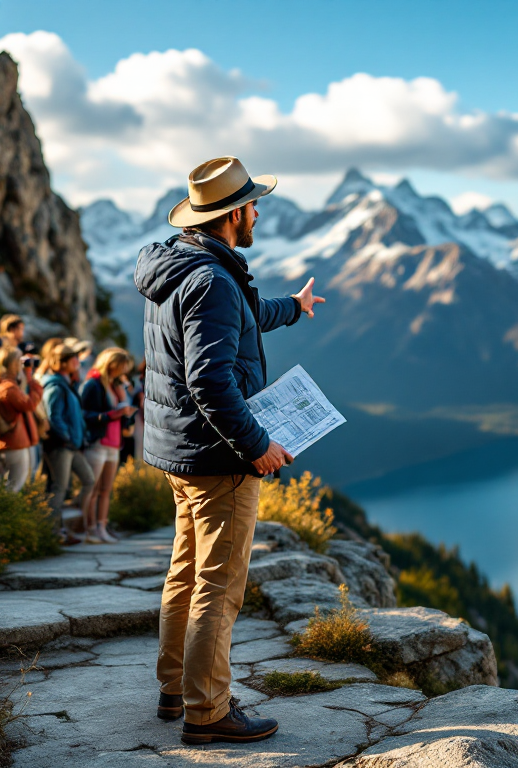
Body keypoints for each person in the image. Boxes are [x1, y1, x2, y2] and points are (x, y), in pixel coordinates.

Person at [135, 157, 324, 744]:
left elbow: (243, 317)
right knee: (219, 586)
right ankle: (209, 710)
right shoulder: (213, 279)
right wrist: (258, 444)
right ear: (234, 214)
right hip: (220, 458)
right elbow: (211, 380)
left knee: (186, 573)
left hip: (181, 450)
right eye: (253, 204)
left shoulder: (182, 266)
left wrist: (293, 307)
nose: (258, 213)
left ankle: (175, 688)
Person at [79, 347, 137, 544]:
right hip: (97, 442)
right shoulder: (93, 384)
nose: (124, 371)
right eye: (121, 367)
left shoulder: (116, 385)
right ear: (111, 365)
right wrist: (113, 415)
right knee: (93, 489)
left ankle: (102, 526)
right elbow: (85, 414)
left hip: (114, 443)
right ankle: (89, 528)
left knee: (106, 490)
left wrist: (125, 409)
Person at [41, 343, 96, 543]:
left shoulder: (67, 384)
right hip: (61, 446)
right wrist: (68, 438)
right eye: (73, 358)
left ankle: (64, 526)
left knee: (88, 480)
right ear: (62, 362)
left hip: (72, 445)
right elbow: (54, 417)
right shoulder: (55, 386)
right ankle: (53, 533)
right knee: (59, 488)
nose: (77, 361)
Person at [0, 347, 44, 492]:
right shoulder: (9, 388)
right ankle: (4, 507)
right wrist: (33, 383)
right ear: (12, 364)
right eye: (18, 361)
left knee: (8, 485)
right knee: (14, 486)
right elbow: (29, 404)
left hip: (1, 442)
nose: (21, 364)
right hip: (13, 442)